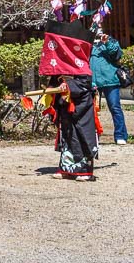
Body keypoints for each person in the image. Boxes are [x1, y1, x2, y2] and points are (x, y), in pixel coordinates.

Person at [40, 20, 101, 181]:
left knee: (81, 135)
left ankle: (84, 171)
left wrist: (67, 85)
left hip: (81, 105)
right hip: (65, 104)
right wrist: (53, 88)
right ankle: (66, 168)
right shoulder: (59, 62)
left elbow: (84, 83)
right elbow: (54, 80)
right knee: (67, 135)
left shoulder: (81, 63)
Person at [90, 33, 128, 145]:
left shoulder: (111, 41)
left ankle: (120, 135)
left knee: (115, 108)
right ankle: (93, 135)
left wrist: (106, 42)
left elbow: (117, 55)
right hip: (93, 81)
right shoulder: (87, 43)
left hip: (110, 80)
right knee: (91, 110)